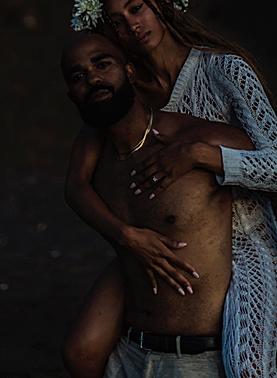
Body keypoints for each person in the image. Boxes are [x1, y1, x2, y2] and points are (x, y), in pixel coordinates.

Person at [61, 0, 277, 378]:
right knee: (80, 351)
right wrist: (127, 236)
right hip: (163, 233)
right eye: (116, 21)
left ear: (160, 4)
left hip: (244, 242)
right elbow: (77, 181)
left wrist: (198, 154)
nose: (131, 25)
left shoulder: (224, 70)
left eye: (136, 7)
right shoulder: (125, 92)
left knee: (247, 370)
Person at [61, 31, 253, 377]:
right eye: (78, 77)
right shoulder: (95, 152)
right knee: (77, 353)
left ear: (130, 71)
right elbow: (73, 188)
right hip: (130, 354)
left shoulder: (195, 140)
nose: (92, 78)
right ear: (71, 94)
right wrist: (128, 237)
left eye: (102, 64)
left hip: (198, 359)